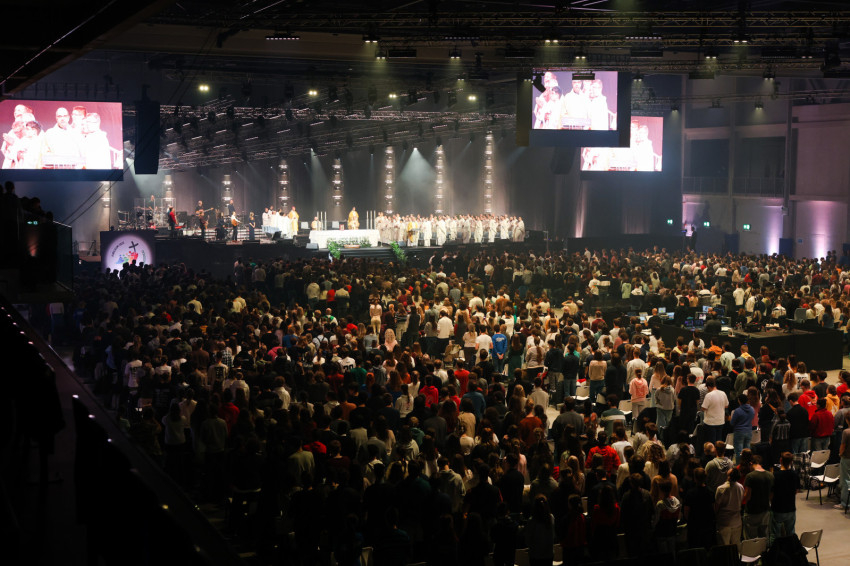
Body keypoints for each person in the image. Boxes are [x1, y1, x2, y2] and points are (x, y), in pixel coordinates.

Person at [770, 451, 799, 544]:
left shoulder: (775, 475)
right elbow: (796, 491)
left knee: (776, 535)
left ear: (780, 460)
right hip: (791, 508)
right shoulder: (795, 474)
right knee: (791, 533)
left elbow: (771, 493)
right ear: (791, 462)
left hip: (778, 508)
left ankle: (777, 550)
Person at [742, 455, 773, 539]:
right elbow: (771, 495)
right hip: (765, 511)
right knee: (763, 538)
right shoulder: (770, 475)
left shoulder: (750, 476)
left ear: (751, 463)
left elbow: (747, 496)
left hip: (752, 512)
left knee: (750, 538)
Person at [715, 467, 744, 547]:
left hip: (724, 521)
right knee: (736, 546)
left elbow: (717, 506)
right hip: (737, 521)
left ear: (729, 476)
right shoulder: (741, 487)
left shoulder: (721, 488)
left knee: (724, 547)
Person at [701, 377, 729, 443]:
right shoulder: (723, 393)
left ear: (708, 387)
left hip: (710, 422)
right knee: (719, 441)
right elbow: (726, 405)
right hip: (720, 421)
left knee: (711, 442)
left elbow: (704, 408)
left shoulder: (709, 395)